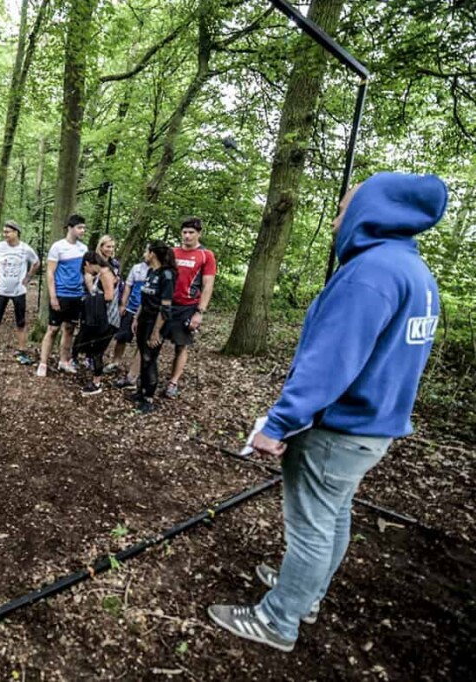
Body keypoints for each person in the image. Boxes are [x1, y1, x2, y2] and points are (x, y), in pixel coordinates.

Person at [207, 173, 447, 653]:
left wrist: (278, 422)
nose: (337, 220)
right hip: (371, 430)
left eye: (342, 209)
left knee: (312, 526)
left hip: (338, 429)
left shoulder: (370, 273)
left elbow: (330, 363)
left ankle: (279, 618)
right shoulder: (414, 272)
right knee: (334, 516)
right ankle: (305, 591)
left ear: (371, 210)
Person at [164, 216, 216, 398]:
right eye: (184, 232)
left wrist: (200, 312)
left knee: (181, 345)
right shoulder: (172, 252)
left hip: (188, 306)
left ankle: (173, 382)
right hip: (166, 304)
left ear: (198, 233)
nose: (187, 236)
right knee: (152, 340)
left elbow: (208, 284)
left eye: (191, 232)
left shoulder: (205, 255)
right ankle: (139, 376)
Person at [36, 214, 88, 377]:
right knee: (53, 329)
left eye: (84, 228)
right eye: (80, 227)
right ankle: (43, 363)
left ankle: (63, 361)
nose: (82, 231)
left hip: (76, 295)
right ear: (70, 228)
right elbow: (50, 273)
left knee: (70, 329)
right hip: (60, 294)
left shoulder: (83, 249)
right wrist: (53, 296)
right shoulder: (58, 247)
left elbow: (85, 272)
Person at [128, 242, 177, 414]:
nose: (144, 254)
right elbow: (144, 298)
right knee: (143, 354)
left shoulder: (167, 275)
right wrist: (136, 317)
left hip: (156, 322)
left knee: (150, 358)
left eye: (146, 251)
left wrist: (156, 331)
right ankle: (140, 392)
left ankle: (149, 397)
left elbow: (165, 307)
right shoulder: (150, 272)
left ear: (153, 254)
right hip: (143, 319)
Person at [0, 220, 40, 365]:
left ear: (16, 233)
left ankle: (21, 353)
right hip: (1, 290)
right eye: (4, 232)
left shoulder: (25, 249)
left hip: (19, 291)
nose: (5, 234)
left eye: (8, 232)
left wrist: (28, 277)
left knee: (21, 322)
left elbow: (37, 263)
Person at [72, 248, 119, 395]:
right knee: (92, 349)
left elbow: (109, 296)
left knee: (97, 352)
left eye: (86, 268)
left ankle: (96, 384)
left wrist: (89, 300)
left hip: (108, 319)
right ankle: (94, 378)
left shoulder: (105, 273)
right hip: (100, 317)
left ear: (88, 263)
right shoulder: (103, 272)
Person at [108, 249, 151, 389]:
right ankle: (115, 361)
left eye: (147, 251)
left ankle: (134, 372)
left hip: (146, 312)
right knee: (122, 337)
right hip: (131, 308)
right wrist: (123, 304)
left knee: (141, 342)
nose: (144, 254)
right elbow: (128, 286)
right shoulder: (137, 268)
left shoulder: (158, 272)